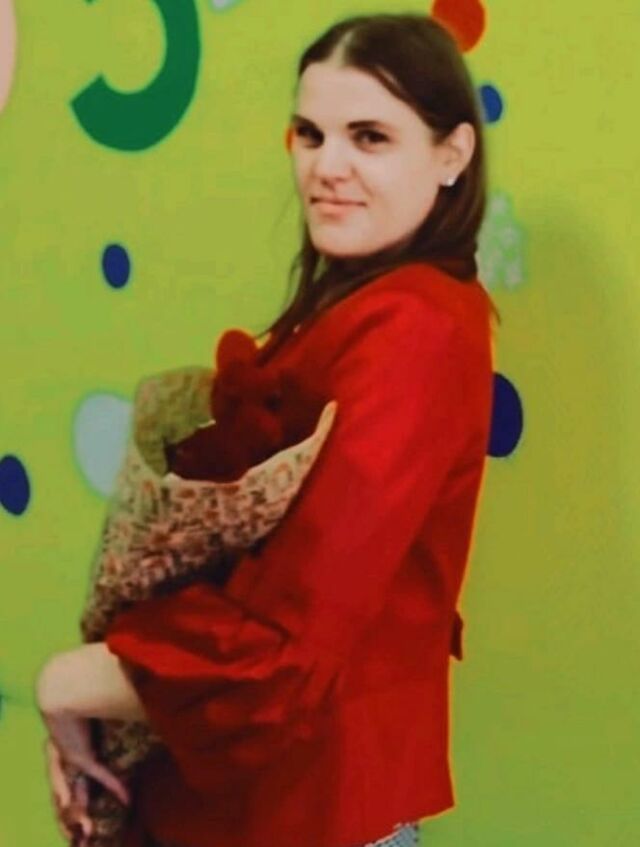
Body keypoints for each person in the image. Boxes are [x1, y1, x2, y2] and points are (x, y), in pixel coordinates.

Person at [35, 12, 498, 847]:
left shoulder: (417, 329)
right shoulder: (358, 305)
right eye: (310, 133)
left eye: (369, 137)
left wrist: (72, 681)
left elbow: (291, 633)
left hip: (315, 802)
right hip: (270, 794)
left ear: (451, 155)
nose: (327, 166)